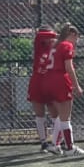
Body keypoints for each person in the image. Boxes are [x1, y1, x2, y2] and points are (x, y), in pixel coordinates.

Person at [46, 24, 84, 155]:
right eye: (76, 37)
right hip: (61, 80)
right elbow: (69, 67)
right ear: (72, 35)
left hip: (50, 80)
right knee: (66, 117)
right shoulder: (66, 45)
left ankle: (55, 144)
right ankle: (70, 147)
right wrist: (76, 85)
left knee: (61, 116)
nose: (76, 41)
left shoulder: (55, 46)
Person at [28, 25, 61, 154]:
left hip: (50, 82)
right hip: (37, 82)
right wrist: (57, 35)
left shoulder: (55, 47)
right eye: (48, 36)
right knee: (40, 114)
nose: (50, 39)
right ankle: (43, 142)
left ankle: (56, 141)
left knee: (55, 114)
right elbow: (40, 36)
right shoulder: (39, 46)